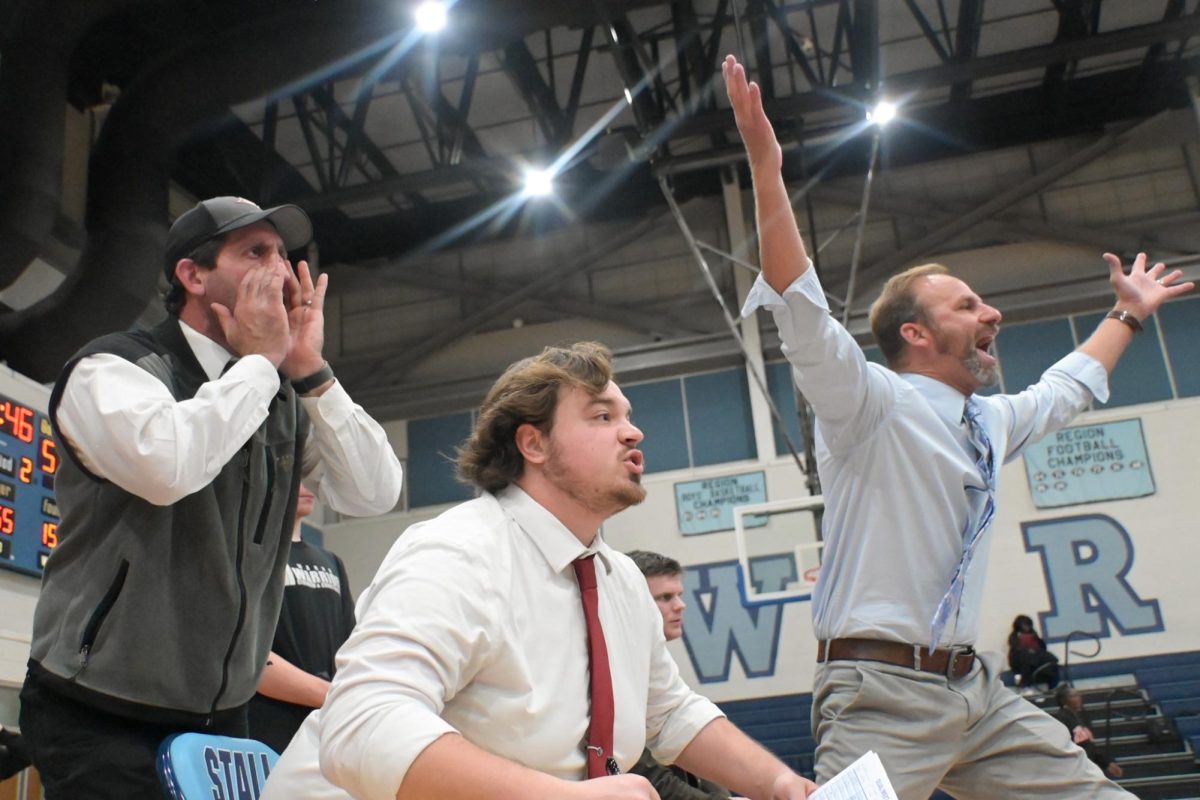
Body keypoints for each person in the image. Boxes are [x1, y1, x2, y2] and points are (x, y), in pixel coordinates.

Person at [723, 52, 1192, 799]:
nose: (992, 313)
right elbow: (802, 311)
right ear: (914, 335)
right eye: (968, 306)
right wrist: (766, 168)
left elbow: (1066, 388)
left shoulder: (990, 420)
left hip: (976, 691)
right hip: (879, 690)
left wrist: (1128, 313)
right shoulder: (866, 403)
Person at [262, 342, 817, 799]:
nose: (633, 432)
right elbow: (363, 724)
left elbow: (669, 713)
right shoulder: (457, 551)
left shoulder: (618, 577)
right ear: (533, 442)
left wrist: (781, 784)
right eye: (602, 416)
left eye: (628, 416)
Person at [19, 196, 404, 799]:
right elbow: (169, 467)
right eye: (255, 252)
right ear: (192, 276)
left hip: (222, 717)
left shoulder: (276, 393)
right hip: (100, 707)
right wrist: (258, 363)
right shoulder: (113, 368)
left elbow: (374, 491)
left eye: (283, 254)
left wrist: (309, 369)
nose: (280, 270)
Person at [248, 485, 357, 754]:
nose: (305, 486)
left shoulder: (331, 561)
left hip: (327, 727)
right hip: (271, 727)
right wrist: (335, 695)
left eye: (309, 477)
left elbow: (351, 645)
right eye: (295, 475)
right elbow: (250, 659)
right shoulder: (250, 557)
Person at [627, 550, 732, 800]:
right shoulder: (614, 667)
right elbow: (647, 774)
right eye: (665, 597)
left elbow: (693, 750)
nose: (680, 605)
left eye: (679, 595)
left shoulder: (655, 662)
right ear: (631, 602)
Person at [1054, 685, 1124, 779]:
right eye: (1073, 696)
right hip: (1073, 766)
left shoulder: (1082, 718)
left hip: (1087, 764)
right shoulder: (1061, 718)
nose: (1078, 698)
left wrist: (1106, 763)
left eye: (1078, 695)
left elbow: (1090, 746)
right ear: (1064, 700)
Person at [1007, 614, 1059, 690]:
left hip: (1037, 655)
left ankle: (1053, 686)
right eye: (1024, 625)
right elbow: (1016, 648)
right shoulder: (1015, 636)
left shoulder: (1033, 634)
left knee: (1051, 659)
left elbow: (1042, 646)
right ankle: (1024, 685)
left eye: (1028, 625)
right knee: (1027, 659)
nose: (1026, 627)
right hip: (1022, 658)